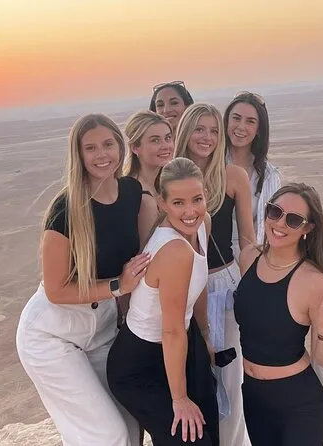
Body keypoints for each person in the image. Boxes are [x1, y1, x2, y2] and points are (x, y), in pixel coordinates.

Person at [15, 113, 149, 446]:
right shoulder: (66, 210)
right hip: (53, 333)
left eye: (108, 144)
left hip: (101, 328)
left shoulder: (131, 192)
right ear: (79, 155)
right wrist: (118, 286)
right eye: (91, 148)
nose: (102, 154)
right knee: (106, 434)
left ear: (120, 147)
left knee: (131, 425)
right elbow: (56, 290)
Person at [107, 157, 219, 445]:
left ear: (206, 194)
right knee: (191, 439)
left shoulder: (202, 225)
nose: (190, 211)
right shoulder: (174, 251)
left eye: (197, 199)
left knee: (209, 427)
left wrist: (204, 335)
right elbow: (170, 330)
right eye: (178, 202)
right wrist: (179, 399)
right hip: (140, 363)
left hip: (181, 345)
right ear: (162, 203)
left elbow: (198, 287)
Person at [234, 183, 323, 446]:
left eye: (293, 220)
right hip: (253, 397)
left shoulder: (314, 281)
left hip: (298, 405)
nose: (280, 223)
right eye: (275, 212)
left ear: (308, 229)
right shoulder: (248, 258)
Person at [174, 102, 256, 445]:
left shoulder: (233, 176)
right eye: (199, 129)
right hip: (182, 289)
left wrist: (254, 293)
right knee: (191, 377)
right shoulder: (169, 177)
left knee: (232, 379)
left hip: (224, 285)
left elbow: (248, 241)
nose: (206, 137)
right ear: (185, 132)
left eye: (213, 130)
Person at [224, 91, 282, 258]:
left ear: (258, 129)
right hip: (214, 260)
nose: (241, 127)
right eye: (236, 118)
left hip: (252, 256)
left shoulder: (269, 175)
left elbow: (270, 227)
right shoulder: (212, 165)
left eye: (250, 121)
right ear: (226, 121)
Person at [122, 110, 174, 247]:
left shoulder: (161, 185)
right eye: (155, 140)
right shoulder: (143, 198)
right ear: (135, 148)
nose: (165, 146)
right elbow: (148, 252)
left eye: (168, 138)